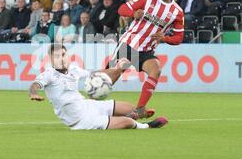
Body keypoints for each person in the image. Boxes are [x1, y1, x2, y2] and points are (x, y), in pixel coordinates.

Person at [28, 43, 168, 130]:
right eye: (57, 56)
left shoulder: (74, 69)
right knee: (127, 122)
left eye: (63, 54)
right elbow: (35, 85)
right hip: (79, 119)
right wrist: (33, 93)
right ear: (51, 59)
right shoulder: (48, 74)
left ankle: (135, 114)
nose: (61, 58)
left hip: (87, 105)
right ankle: (147, 126)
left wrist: (118, 68)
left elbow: (95, 74)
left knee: (129, 108)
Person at [112, 0, 184, 119]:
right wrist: (133, 13)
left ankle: (139, 109)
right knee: (114, 73)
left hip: (146, 50)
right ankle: (92, 101)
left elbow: (179, 38)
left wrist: (164, 38)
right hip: (130, 43)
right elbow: (122, 9)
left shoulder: (177, 12)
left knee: (156, 69)